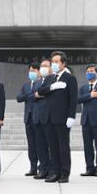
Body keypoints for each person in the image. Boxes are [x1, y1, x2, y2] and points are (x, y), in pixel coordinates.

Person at [37, 51, 78, 183]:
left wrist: (71, 116)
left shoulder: (70, 78)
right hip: (48, 117)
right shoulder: (49, 78)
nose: (54, 64)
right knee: (52, 146)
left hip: (62, 118)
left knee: (63, 146)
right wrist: (52, 87)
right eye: (52, 62)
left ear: (63, 63)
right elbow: (40, 91)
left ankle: (64, 173)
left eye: (56, 62)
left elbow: (73, 99)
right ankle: (54, 172)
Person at [77, 65, 97, 177]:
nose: (89, 73)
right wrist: (91, 95)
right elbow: (78, 100)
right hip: (86, 121)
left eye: (92, 71)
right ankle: (89, 168)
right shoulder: (83, 88)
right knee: (87, 146)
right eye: (88, 71)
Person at [17, 62, 40, 176]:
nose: (32, 72)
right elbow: (19, 98)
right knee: (31, 145)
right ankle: (33, 167)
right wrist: (32, 95)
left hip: (38, 118)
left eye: (34, 70)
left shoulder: (41, 84)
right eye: (30, 70)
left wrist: (27, 96)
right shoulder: (25, 85)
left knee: (40, 144)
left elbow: (40, 96)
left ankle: (42, 167)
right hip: (28, 118)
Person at [33, 60, 52, 180]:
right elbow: (31, 95)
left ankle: (52, 169)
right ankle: (43, 169)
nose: (43, 68)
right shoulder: (37, 81)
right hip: (37, 117)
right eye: (42, 66)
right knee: (40, 146)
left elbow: (52, 94)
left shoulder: (53, 80)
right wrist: (38, 95)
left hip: (49, 117)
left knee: (51, 145)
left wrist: (39, 94)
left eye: (46, 66)